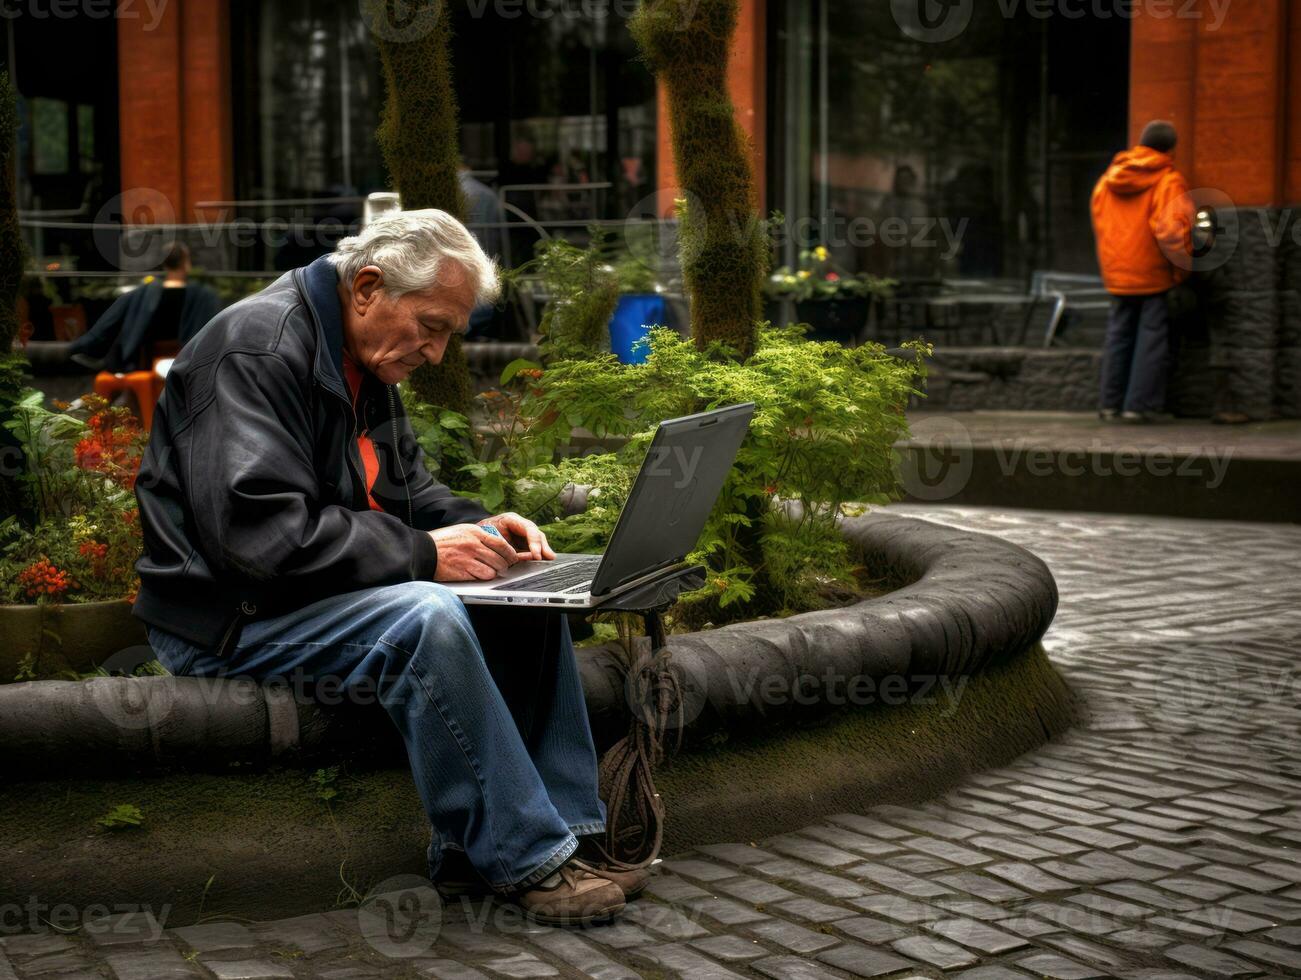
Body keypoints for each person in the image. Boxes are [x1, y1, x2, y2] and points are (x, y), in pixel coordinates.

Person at [133, 210, 640, 927]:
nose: (435, 352)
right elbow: (259, 538)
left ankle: (569, 836)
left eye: (447, 334)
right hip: (227, 618)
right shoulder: (256, 350)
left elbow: (408, 494)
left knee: (519, 596)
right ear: (368, 286)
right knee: (424, 617)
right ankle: (528, 857)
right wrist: (427, 554)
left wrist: (483, 527)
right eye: (430, 326)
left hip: (305, 596)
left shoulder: (361, 354)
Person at [1091, 120, 1194, 423]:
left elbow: (1101, 223)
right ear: (1171, 148)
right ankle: (1140, 406)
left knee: (1118, 336)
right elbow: (1173, 232)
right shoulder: (1168, 180)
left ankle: (1109, 405)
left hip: (1118, 274)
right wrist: (1181, 273)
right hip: (1152, 274)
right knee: (1151, 340)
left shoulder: (1108, 179)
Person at [68, 242, 222, 373]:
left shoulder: (145, 292)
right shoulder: (203, 296)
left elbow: (112, 320)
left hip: (143, 354)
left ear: (164, 264)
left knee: (124, 308)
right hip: (187, 352)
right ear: (185, 263)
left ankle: (85, 347)